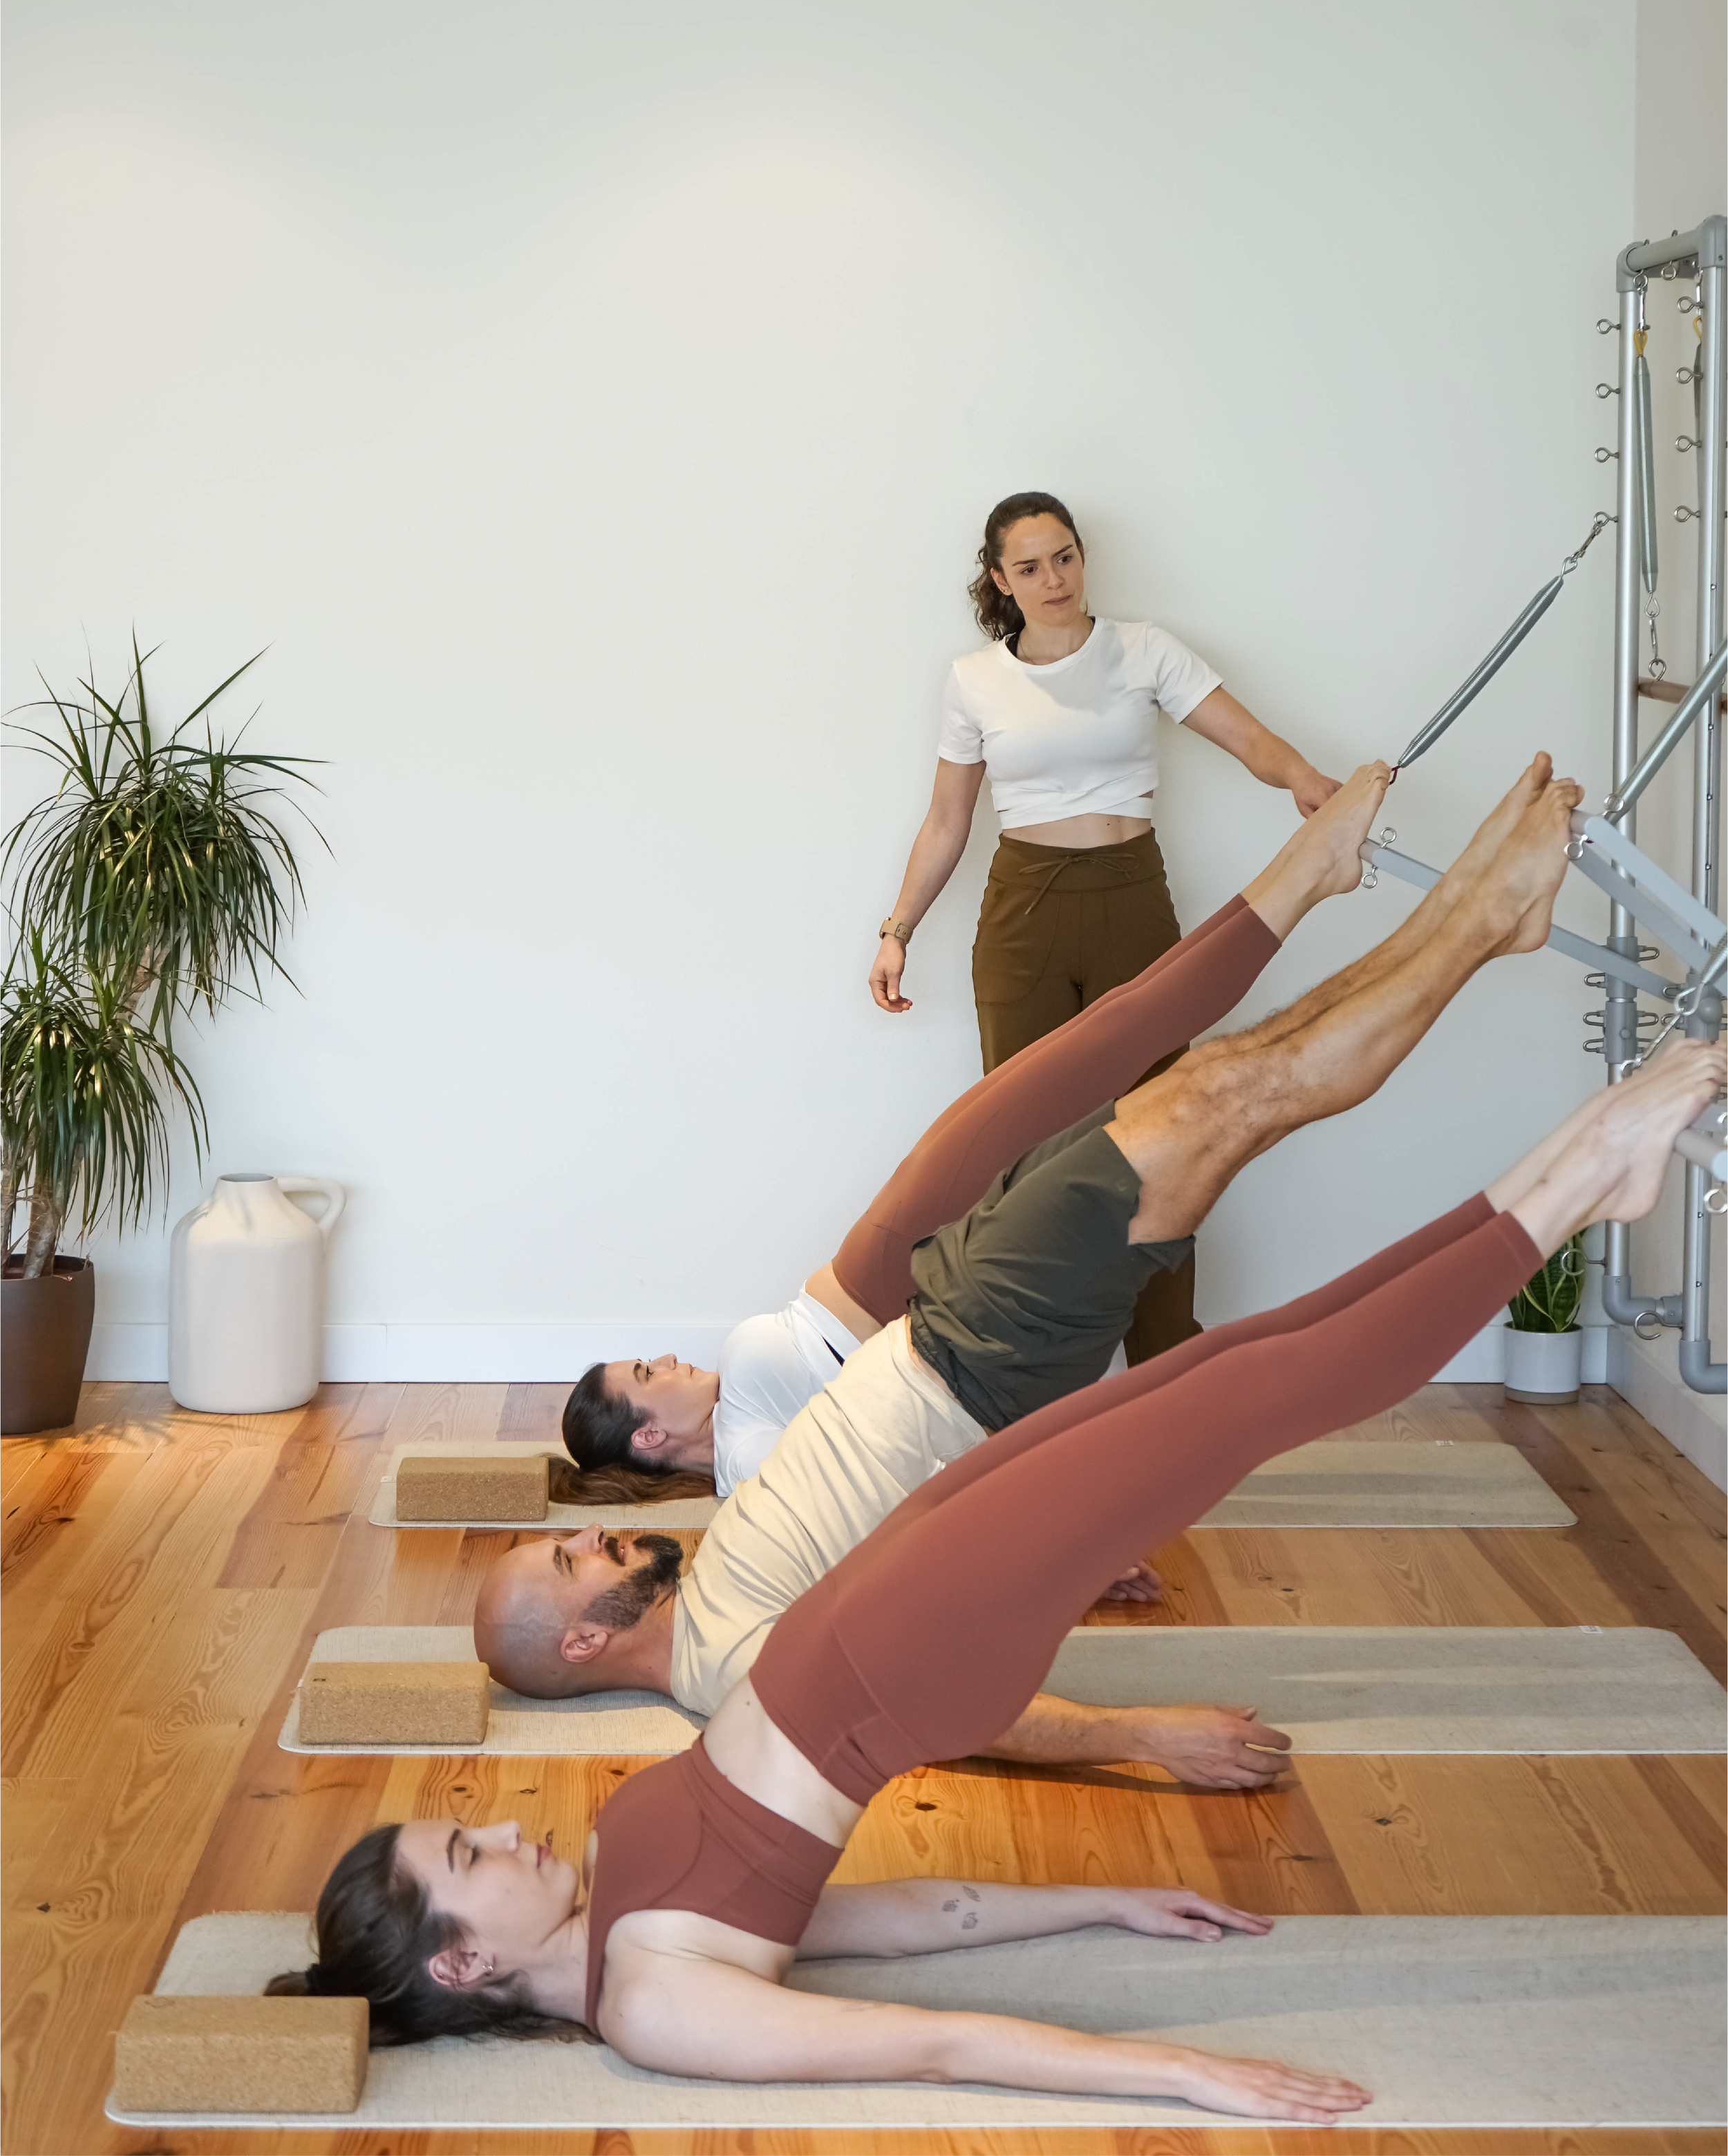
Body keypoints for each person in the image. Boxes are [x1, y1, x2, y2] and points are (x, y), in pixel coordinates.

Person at [272, 867, 1724, 2117]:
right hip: (910, 1653)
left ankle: (1573, 1170)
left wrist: (1092, 1900)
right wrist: (1179, 2074)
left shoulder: (607, 1908)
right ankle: (1582, 1172)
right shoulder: (655, 2007)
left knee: (1221, 1373)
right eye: (468, 1854)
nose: (507, 1831)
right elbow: (931, 2039)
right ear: (460, 1961)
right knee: (1246, 1401)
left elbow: (894, 1922)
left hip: (880, 1594)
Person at [479, 758, 1585, 1797]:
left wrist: (1059, 1548)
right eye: (566, 1560)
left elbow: (914, 1550)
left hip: (951, 1330)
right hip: (981, 1355)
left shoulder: (708, 1598)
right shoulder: (734, 1678)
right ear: (583, 1639)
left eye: (564, 1535)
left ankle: (1484, 915)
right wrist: (1136, 1734)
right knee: (1234, 1096)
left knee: (1219, 1082)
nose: (583, 1535)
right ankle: (1487, 916)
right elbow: (929, 1701)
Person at [563, 757, 1393, 1504]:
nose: (667, 1360)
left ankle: (1316, 871)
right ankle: (1314, 868)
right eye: (646, 1374)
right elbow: (885, 1498)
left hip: (905, 1245)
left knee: (1115, 1034)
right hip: (915, 1266)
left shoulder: (739, 1414)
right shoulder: (746, 1464)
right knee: (1122, 1042)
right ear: (648, 1436)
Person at [866, 489, 1341, 1363]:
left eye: (1065, 557)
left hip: (1131, 900)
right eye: (1029, 567)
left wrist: (1307, 783)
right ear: (1000, 581)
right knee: (1021, 1150)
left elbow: (1247, 739)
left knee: (1165, 1133)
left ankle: (1163, 1367)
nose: (1053, 579)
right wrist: (897, 929)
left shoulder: (1142, 649)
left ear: (1083, 557)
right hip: (1023, 914)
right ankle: (1023, 1364)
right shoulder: (974, 679)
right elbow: (946, 823)